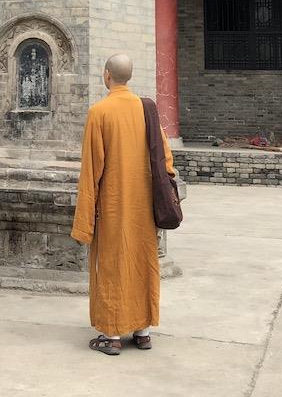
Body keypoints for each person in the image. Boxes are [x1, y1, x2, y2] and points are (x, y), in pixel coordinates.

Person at [71, 53, 175, 355]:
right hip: (144, 207)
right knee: (142, 262)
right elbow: (165, 160)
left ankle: (112, 334)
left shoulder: (99, 112)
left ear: (107, 75)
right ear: (128, 77)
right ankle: (143, 331)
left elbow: (91, 170)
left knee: (113, 267)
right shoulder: (148, 110)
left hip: (113, 206)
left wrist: (84, 220)